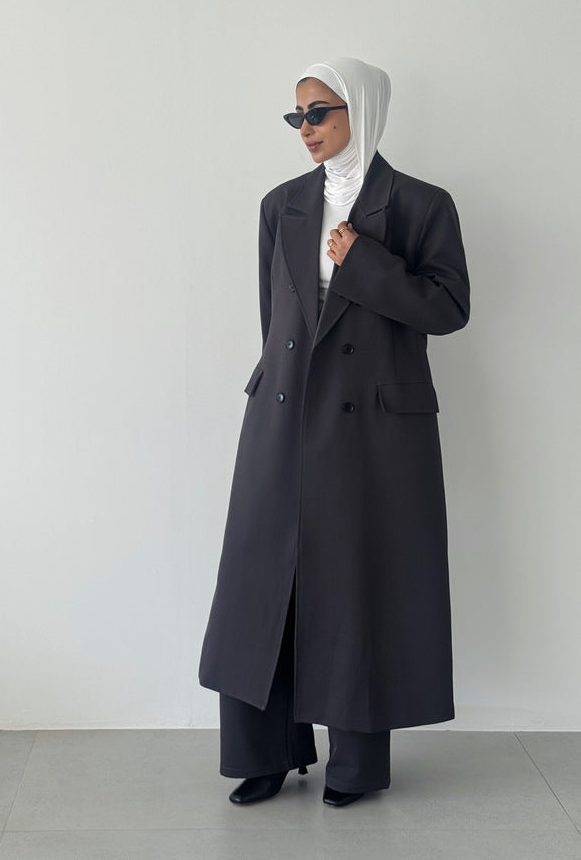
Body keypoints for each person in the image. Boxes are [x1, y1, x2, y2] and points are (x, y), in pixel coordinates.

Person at [198, 56, 471, 807]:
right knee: (262, 580)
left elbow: (448, 310)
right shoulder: (281, 204)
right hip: (284, 413)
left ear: (363, 109)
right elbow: (275, 316)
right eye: (297, 116)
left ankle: (355, 766)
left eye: (320, 112)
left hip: (373, 424)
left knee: (355, 584)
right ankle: (263, 753)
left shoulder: (420, 204)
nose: (306, 128)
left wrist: (366, 262)